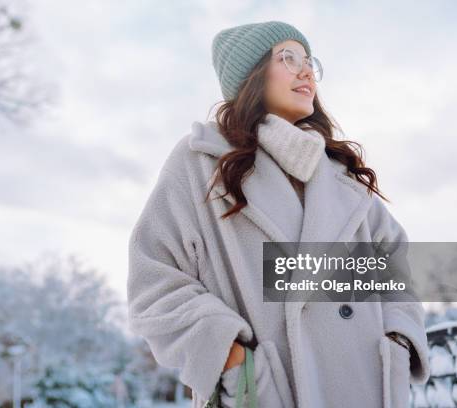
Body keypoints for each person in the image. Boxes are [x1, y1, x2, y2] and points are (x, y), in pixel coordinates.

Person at [127, 20, 430, 408]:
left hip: (364, 385)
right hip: (266, 390)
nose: (306, 71)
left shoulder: (341, 177)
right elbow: (152, 282)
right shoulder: (202, 161)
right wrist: (229, 355)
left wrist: (398, 341)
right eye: (288, 58)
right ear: (250, 76)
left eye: (309, 61)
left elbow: (397, 268)